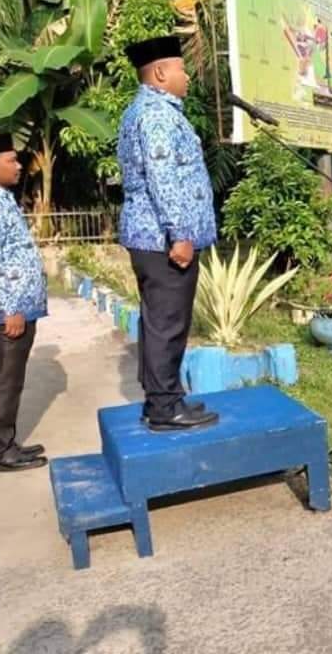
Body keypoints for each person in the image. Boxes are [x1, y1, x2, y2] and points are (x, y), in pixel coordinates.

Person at [118, 36, 219, 432]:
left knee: (159, 320)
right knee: (168, 322)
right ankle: (164, 409)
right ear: (160, 73)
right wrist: (179, 234)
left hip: (150, 238)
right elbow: (163, 178)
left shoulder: (145, 110)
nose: (188, 76)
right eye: (181, 68)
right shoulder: (157, 114)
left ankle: (162, 399)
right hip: (163, 241)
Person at [0, 133, 48, 472]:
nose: (19, 165)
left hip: (6, 308)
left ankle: (2, 441)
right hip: (2, 312)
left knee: (1, 380)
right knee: (1, 382)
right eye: (11, 160)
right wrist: (10, 306)